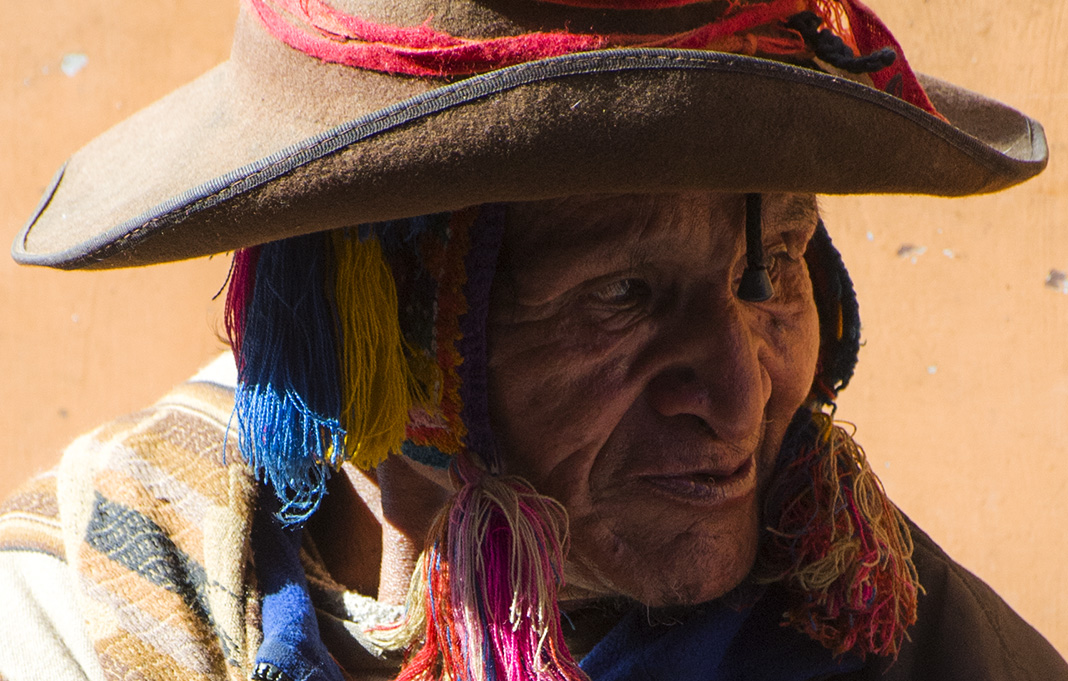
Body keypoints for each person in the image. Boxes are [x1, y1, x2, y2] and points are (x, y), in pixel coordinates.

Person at [1, 0, 1065, 680]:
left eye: (775, 265)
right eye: (624, 294)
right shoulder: (91, 610)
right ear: (389, 335)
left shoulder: (909, 641)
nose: (742, 397)